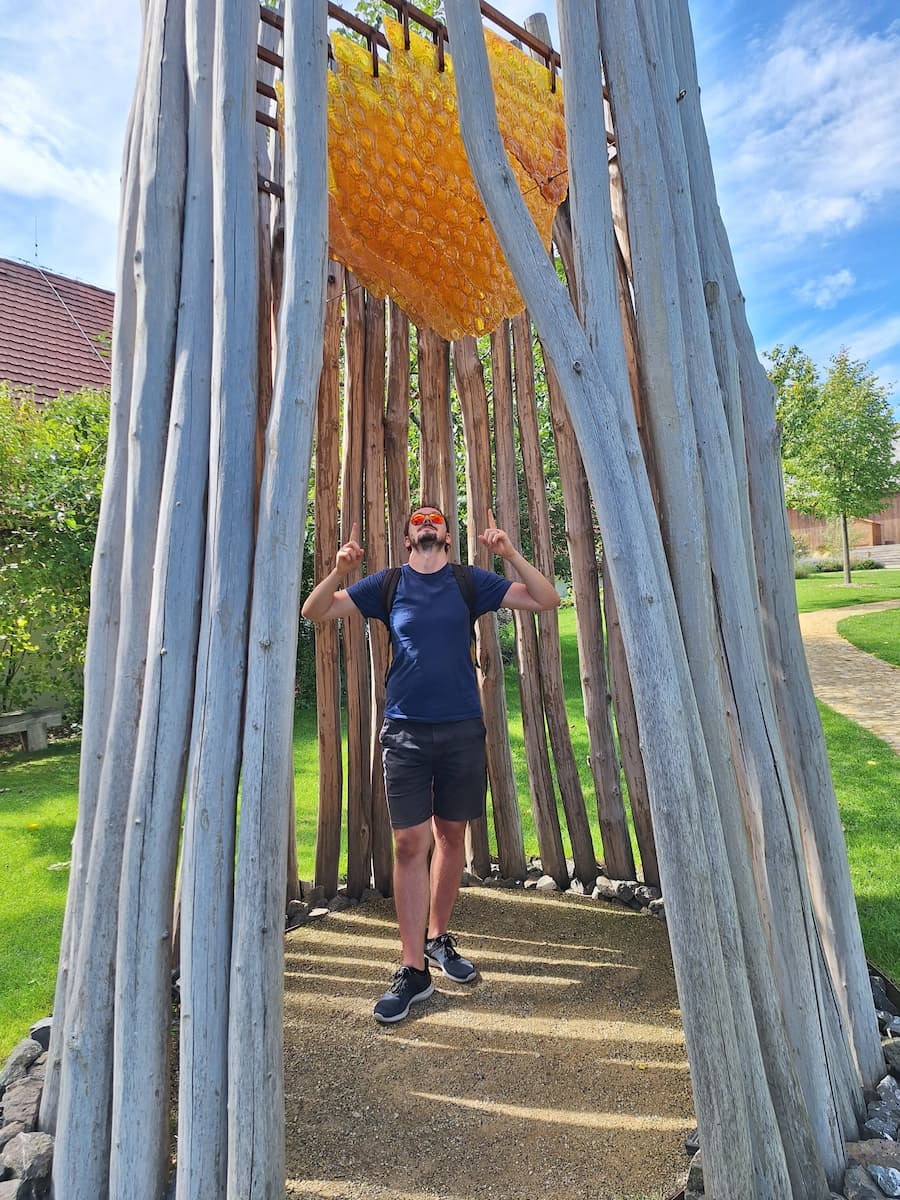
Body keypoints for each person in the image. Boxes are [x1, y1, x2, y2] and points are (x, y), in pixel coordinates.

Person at [301, 504, 559, 1023]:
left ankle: (439, 938)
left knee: (450, 837)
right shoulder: (387, 584)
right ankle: (413, 970)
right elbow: (315, 612)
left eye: (434, 520)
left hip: (463, 728)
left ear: (446, 535)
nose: (425, 524)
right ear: (406, 536)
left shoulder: (470, 582)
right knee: (408, 842)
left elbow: (547, 600)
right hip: (405, 732)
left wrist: (509, 554)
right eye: (417, 520)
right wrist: (339, 569)